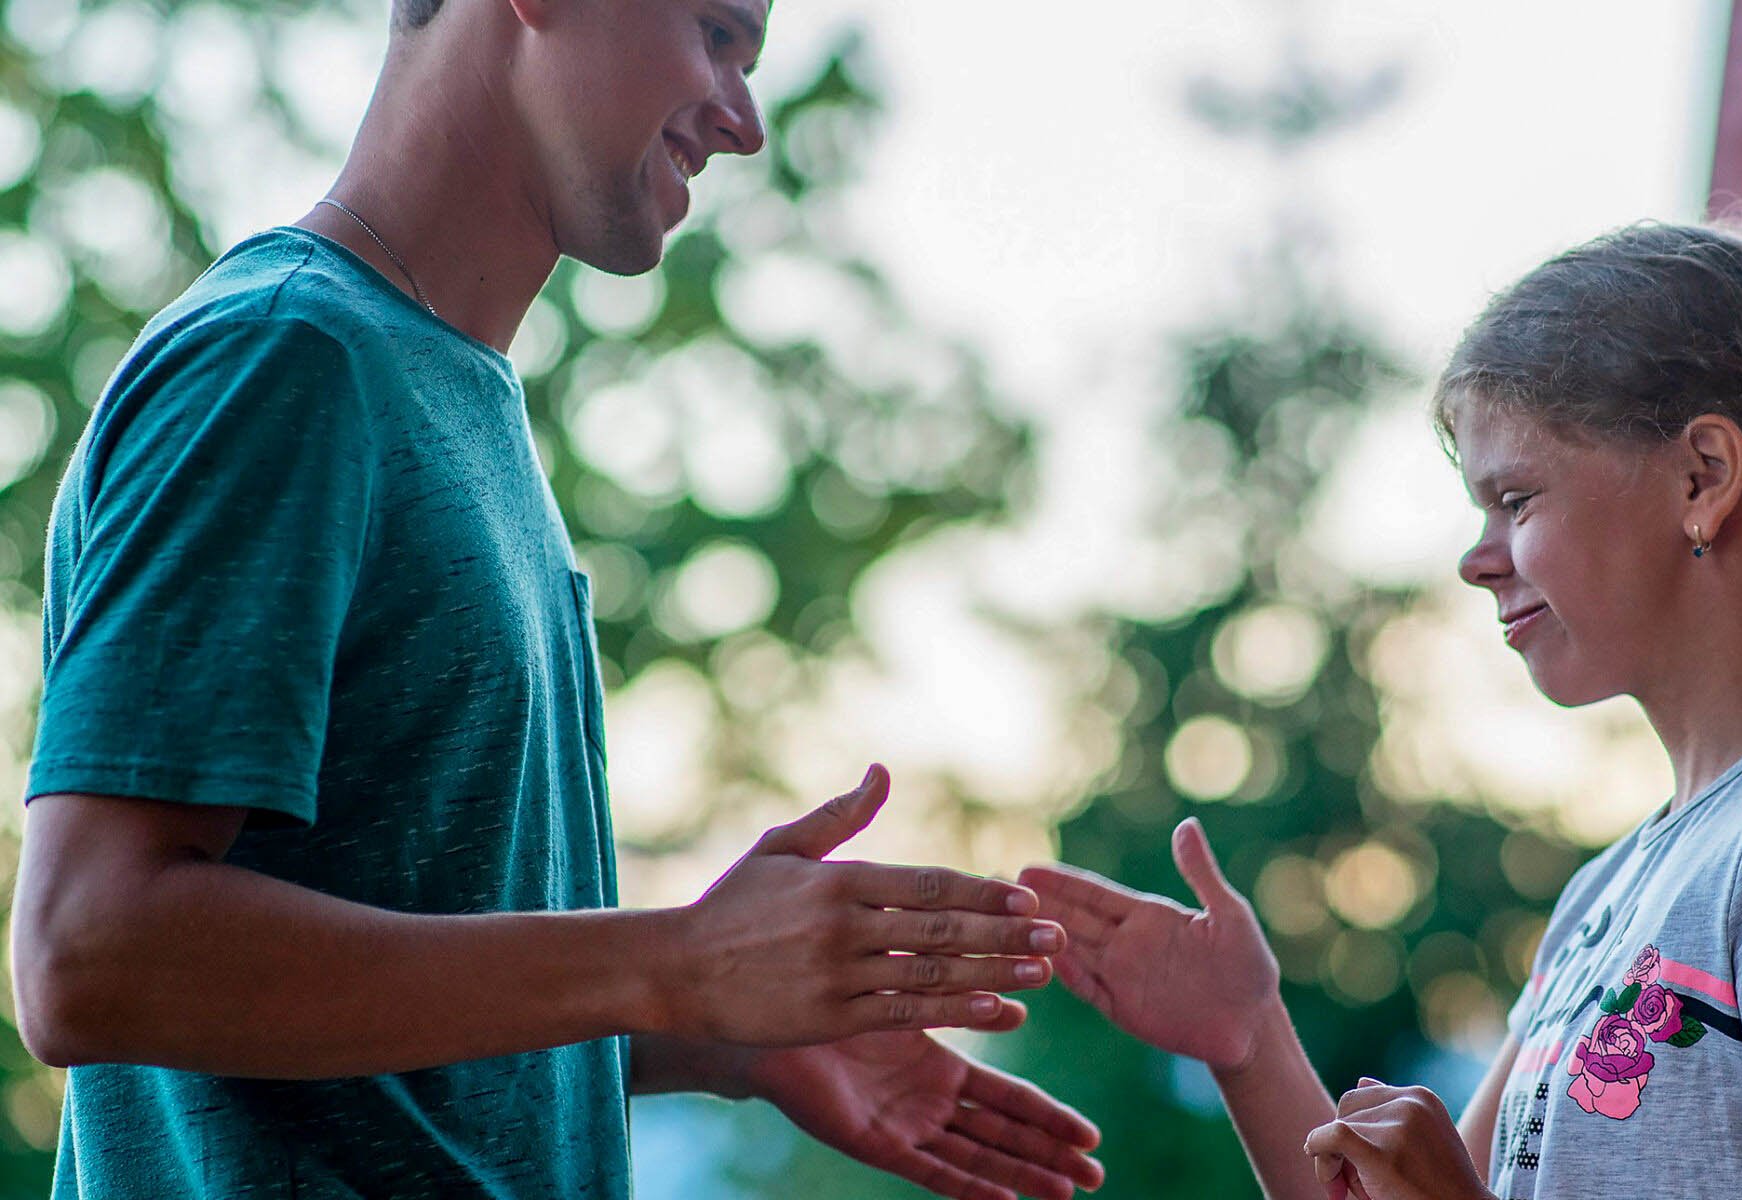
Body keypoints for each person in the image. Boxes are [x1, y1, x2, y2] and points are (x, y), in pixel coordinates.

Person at [10, 2, 1106, 1198]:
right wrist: (672, 961)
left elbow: (376, 1021)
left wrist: (713, 1029)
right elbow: (89, 954)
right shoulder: (284, 359)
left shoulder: (448, 398)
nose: (741, 121)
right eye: (715, 33)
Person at [1025, 221, 1742, 1199]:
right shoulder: (1614, 890)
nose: (1474, 559)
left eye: (1514, 499)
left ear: (1701, 477)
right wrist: (1245, 1034)